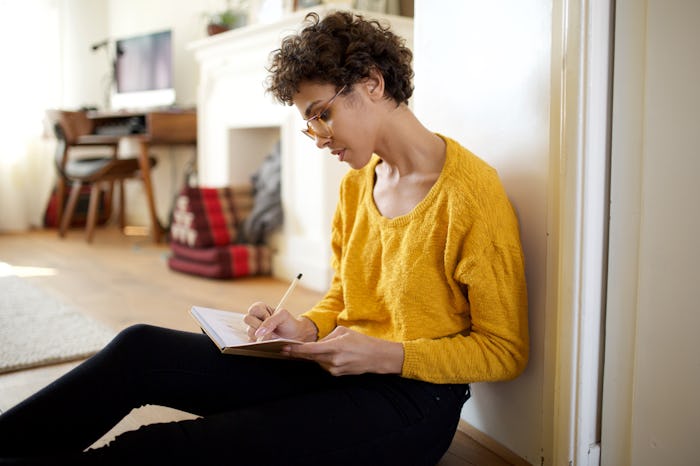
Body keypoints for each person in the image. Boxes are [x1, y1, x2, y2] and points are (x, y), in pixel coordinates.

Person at [0, 11, 528, 466]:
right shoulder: (355, 187)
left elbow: (505, 351)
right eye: (308, 123)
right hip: (339, 368)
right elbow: (346, 295)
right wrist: (304, 326)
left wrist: (386, 356)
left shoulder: (469, 195)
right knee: (139, 349)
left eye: (322, 114)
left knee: (167, 449)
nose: (319, 137)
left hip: (414, 403)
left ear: (372, 82)